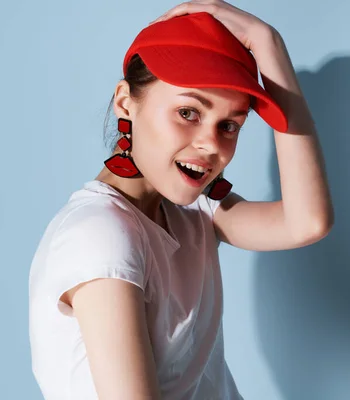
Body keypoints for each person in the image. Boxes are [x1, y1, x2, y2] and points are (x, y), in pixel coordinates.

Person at [28, 2, 333, 399]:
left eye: (230, 125)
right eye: (188, 112)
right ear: (125, 103)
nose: (211, 145)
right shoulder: (100, 234)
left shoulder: (194, 212)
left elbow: (307, 221)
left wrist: (268, 43)